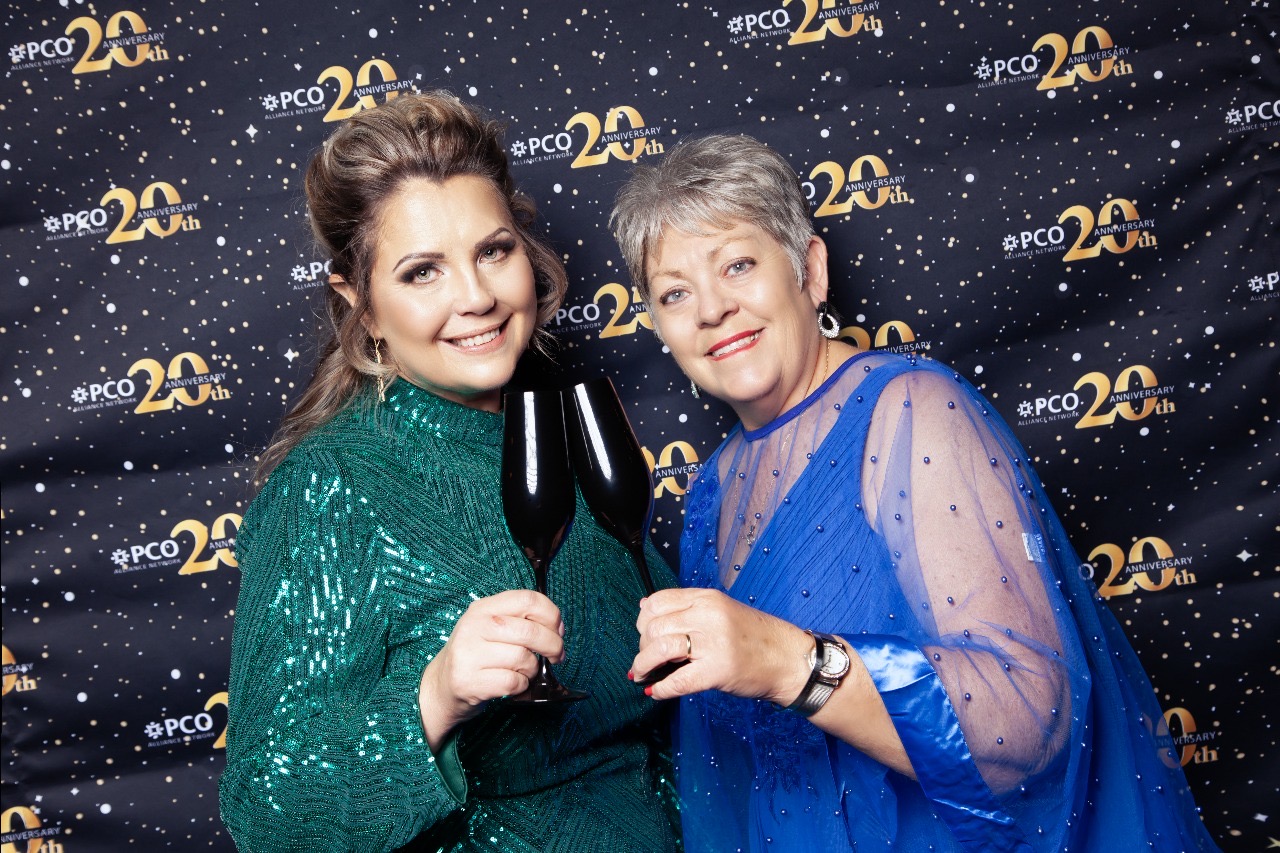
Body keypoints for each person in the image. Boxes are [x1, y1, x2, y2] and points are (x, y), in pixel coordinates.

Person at [611, 134, 1220, 852]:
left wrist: (788, 662)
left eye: (737, 265)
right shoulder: (712, 486)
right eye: (674, 292)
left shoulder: (911, 409)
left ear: (810, 269)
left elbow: (1031, 719)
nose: (711, 309)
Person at [219, 91, 678, 853]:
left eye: (493, 251)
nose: (476, 296)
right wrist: (434, 696)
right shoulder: (333, 482)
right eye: (422, 271)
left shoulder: (557, 437)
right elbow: (266, 810)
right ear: (362, 304)